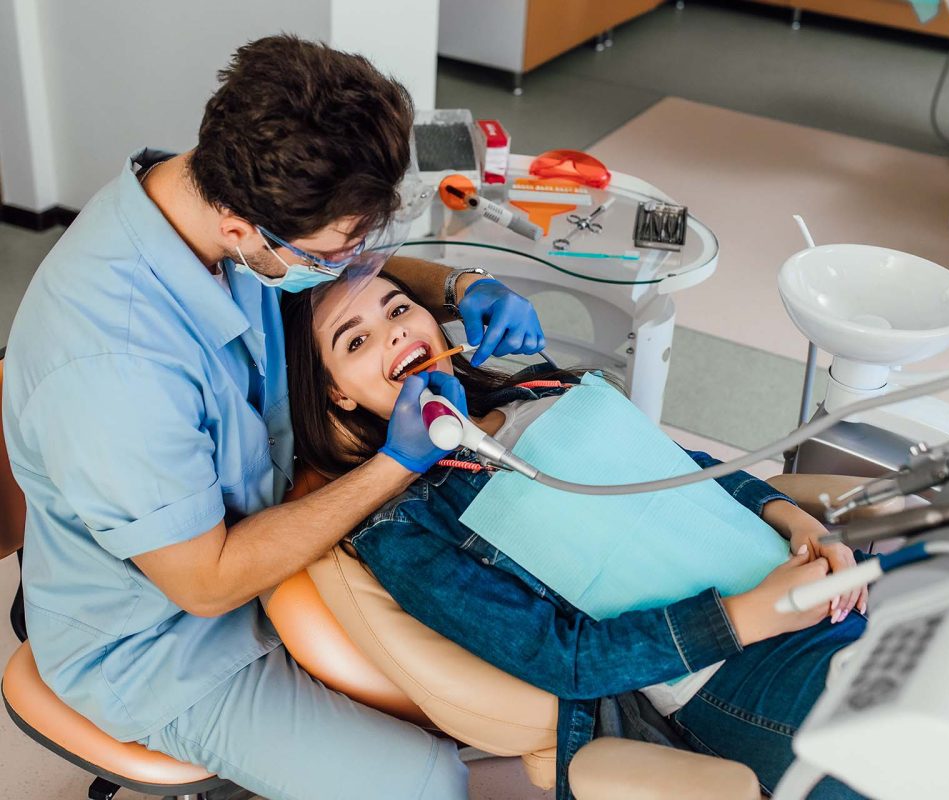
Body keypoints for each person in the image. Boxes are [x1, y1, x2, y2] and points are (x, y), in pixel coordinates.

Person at [2, 35, 547, 800]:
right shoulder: (114, 369)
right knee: (426, 781)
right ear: (242, 230)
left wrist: (457, 287)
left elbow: (352, 270)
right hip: (164, 644)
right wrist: (399, 462)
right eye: (335, 253)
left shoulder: (210, 194)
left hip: (270, 546)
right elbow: (208, 582)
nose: (359, 266)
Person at [281, 275, 872, 800]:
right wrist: (747, 617)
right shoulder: (407, 528)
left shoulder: (540, 388)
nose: (391, 333)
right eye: (354, 341)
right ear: (339, 395)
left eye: (399, 308)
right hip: (730, 667)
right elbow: (563, 660)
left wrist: (802, 525)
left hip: (817, 583)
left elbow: (689, 468)